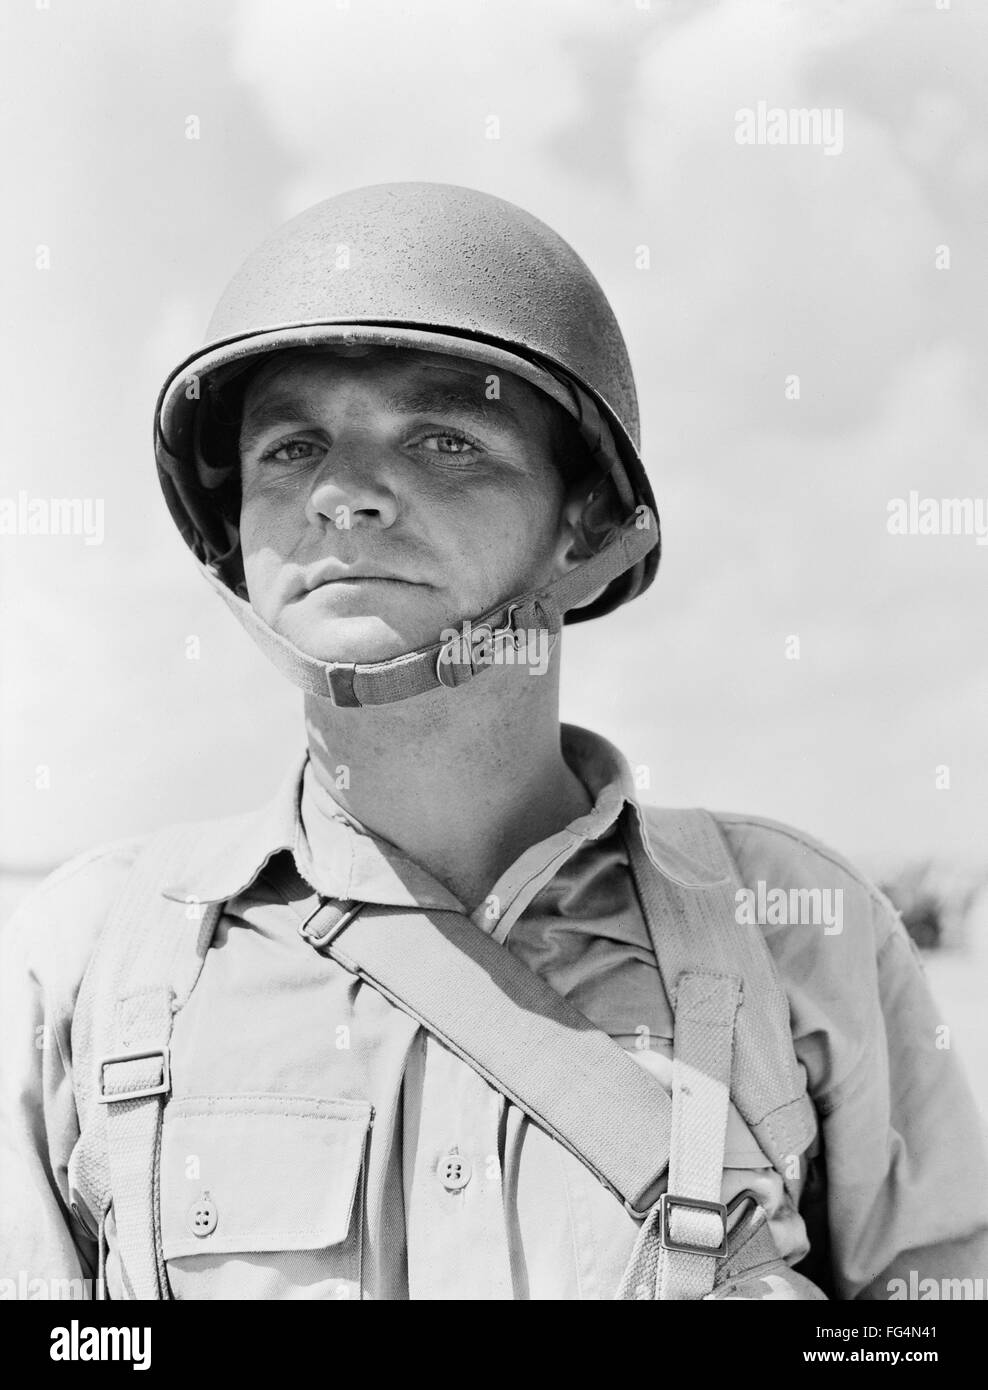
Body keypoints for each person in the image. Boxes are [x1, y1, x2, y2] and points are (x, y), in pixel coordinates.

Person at [2, 183, 986, 1302]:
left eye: (444, 439)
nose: (344, 494)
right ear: (232, 532)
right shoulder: (89, 962)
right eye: (289, 446)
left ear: (586, 522)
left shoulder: (801, 935)